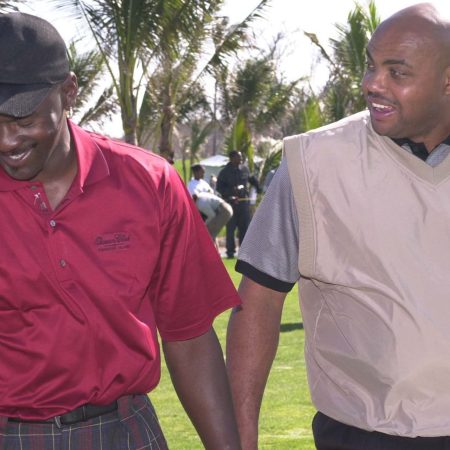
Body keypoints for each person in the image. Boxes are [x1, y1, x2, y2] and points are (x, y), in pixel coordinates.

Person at [0, 12, 242, 450]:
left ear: (68, 92)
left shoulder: (149, 183)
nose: (5, 140)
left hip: (123, 431)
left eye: (21, 118)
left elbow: (188, 334)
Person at [226, 3, 450, 450]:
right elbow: (258, 304)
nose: (372, 84)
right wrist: (240, 439)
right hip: (363, 436)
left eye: (396, 72)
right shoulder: (312, 164)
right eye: (370, 66)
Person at [216, 150, 259, 258]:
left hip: (243, 204)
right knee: (230, 229)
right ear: (231, 158)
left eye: (241, 157)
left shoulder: (244, 169)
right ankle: (230, 252)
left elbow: (252, 180)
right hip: (231, 205)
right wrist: (231, 192)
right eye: (238, 157)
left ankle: (243, 252)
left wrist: (258, 187)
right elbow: (219, 188)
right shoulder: (224, 172)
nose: (240, 159)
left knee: (244, 228)